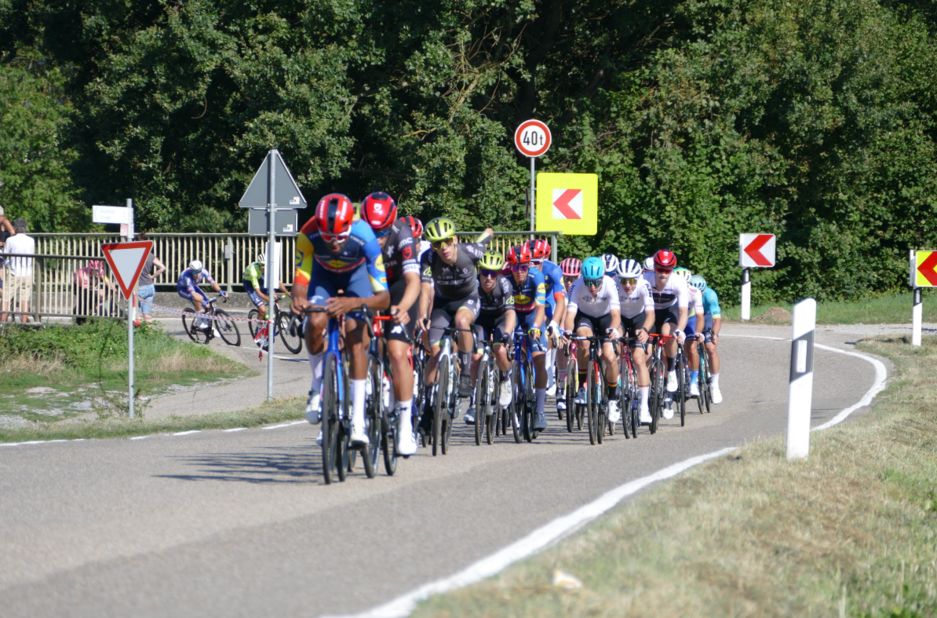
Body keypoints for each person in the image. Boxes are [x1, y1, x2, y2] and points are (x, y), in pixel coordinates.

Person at [292, 193, 390, 447]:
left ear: (349, 226)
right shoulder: (307, 233)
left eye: (339, 237)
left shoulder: (365, 236)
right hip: (323, 278)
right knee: (313, 323)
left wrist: (355, 303)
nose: (334, 243)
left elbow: (384, 297)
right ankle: (316, 387)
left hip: (356, 280)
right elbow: (302, 275)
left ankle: (358, 420)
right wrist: (299, 298)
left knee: (356, 336)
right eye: (327, 237)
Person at [360, 192, 421, 456]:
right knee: (354, 341)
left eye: (382, 231)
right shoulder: (354, 233)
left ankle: (406, 426)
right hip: (368, 284)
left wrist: (403, 308)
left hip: (397, 287)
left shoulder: (403, 234)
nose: (377, 237)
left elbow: (414, 282)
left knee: (397, 353)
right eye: (372, 231)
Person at [417, 217, 493, 422]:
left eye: (447, 241)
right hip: (442, 305)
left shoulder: (470, 252)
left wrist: (489, 230)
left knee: (461, 322)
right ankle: (429, 406)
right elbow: (424, 290)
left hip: (468, 300)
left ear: (455, 239)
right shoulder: (428, 258)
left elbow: (486, 239)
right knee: (434, 354)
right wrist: (423, 315)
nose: (443, 247)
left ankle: (466, 375)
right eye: (436, 244)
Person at [563, 256, 622, 423]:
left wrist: (613, 330)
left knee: (610, 356)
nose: (593, 287)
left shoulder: (611, 284)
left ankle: (612, 399)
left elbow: (616, 315)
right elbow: (570, 315)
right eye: (589, 283)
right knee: (582, 340)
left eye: (596, 282)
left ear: (603, 278)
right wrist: (568, 331)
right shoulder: (576, 286)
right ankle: (582, 386)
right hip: (585, 317)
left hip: (606, 319)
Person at [466, 250, 516, 424]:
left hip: (501, 319)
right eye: (485, 272)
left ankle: (505, 378)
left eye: (492, 273)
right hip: (480, 320)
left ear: (498, 274)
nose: (488, 277)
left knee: (500, 350)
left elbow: (511, 313)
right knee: (475, 356)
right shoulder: (472, 284)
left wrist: (507, 334)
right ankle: (474, 400)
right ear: (479, 271)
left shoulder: (505, 284)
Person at [505, 243, 550, 431]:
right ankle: (510, 397)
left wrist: (537, 327)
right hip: (513, 314)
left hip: (533, 316)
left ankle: (540, 410)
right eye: (515, 267)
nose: (519, 272)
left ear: (529, 266)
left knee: (539, 361)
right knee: (508, 355)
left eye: (523, 267)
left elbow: (541, 307)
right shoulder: (504, 278)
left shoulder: (537, 277)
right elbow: (504, 309)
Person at [641, 249, 689, 421]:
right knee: (645, 353)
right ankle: (643, 395)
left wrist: (680, 331)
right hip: (650, 313)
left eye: (667, 270)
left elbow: (683, 311)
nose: (663, 273)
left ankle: (671, 370)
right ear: (654, 267)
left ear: (673, 269)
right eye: (660, 269)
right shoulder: (644, 279)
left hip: (670, 312)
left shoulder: (678, 282)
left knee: (667, 334)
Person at [615, 258, 656, 423]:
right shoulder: (613, 285)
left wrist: (645, 330)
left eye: (631, 280)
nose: (627, 285)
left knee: (639, 358)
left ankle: (644, 407)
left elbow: (651, 314)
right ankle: (616, 381)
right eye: (624, 280)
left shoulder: (644, 285)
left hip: (640, 319)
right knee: (612, 347)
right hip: (620, 319)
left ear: (638, 278)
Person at [528, 239, 567, 397]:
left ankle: (549, 368)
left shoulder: (554, 270)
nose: (531, 266)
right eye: (527, 262)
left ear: (544, 260)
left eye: (536, 262)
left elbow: (561, 301)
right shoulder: (521, 269)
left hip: (548, 300)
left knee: (546, 321)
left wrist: (555, 324)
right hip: (527, 298)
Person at [689, 274, 723, 404]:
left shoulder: (710, 295)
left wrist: (714, 334)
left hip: (707, 316)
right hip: (692, 317)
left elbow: (717, 319)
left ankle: (715, 385)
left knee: (711, 348)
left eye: (701, 292)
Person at [555, 257, 581, 415]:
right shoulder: (560, 290)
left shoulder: (583, 288)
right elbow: (558, 315)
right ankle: (562, 383)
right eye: (566, 279)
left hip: (581, 322)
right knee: (561, 344)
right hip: (565, 322)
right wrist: (559, 332)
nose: (569, 282)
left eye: (573, 279)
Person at [177, 260, 227, 334]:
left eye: (198, 272)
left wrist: (221, 291)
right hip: (183, 289)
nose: (197, 274)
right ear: (191, 271)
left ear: (201, 269)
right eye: (195, 272)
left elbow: (212, 283)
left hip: (193, 286)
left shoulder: (204, 271)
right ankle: (199, 322)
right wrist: (203, 302)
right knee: (199, 300)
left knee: (208, 303)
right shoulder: (187, 277)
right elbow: (194, 295)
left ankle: (205, 320)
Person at [1, 218, 34, 323]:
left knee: (6, 297)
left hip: (14, 273)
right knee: (25, 299)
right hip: (27, 273)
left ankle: (2, 322)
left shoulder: (10, 240)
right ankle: (24, 324)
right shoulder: (31, 240)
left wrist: (8, 265)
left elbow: (6, 256)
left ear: (15, 228)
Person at [243, 252, 290, 324]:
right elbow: (258, 292)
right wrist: (268, 300)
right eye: (262, 265)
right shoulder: (253, 271)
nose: (264, 267)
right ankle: (259, 329)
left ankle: (277, 318)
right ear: (259, 264)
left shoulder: (269, 268)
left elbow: (277, 282)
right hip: (249, 284)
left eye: (266, 265)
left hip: (260, 280)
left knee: (274, 296)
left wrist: (286, 292)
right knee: (262, 309)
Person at [73, 259, 118, 325]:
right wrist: (97, 291)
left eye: (98, 271)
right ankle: (81, 317)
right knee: (86, 295)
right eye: (95, 271)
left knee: (97, 295)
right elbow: (86, 287)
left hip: (92, 284)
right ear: (91, 269)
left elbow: (108, 282)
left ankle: (96, 313)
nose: (97, 273)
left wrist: (116, 291)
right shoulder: (81, 273)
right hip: (80, 285)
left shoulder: (100, 271)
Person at [136, 233, 166, 324]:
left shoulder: (134, 255)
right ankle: (149, 333)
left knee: (137, 315)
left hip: (139, 287)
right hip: (150, 286)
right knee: (147, 314)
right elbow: (162, 267)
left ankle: (140, 335)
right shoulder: (150, 255)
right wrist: (152, 276)